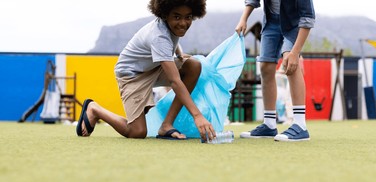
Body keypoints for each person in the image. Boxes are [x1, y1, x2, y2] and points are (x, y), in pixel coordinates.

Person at [76, 0, 215, 141]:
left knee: (193, 66)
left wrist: (179, 55)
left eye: (188, 17)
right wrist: (197, 116)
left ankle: (166, 125)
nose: (183, 23)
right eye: (177, 17)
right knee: (137, 132)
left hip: (153, 67)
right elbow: (174, 80)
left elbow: (172, 42)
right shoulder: (159, 36)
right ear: (165, 14)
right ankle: (94, 109)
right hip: (132, 75)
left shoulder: (171, 27)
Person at [236, 0, 315, 141]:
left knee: (289, 61)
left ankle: (300, 124)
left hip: (293, 25)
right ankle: (269, 124)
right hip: (272, 22)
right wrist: (244, 18)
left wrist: (295, 53)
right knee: (265, 66)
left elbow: (307, 17)